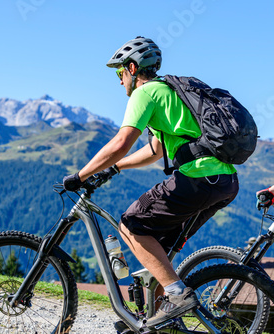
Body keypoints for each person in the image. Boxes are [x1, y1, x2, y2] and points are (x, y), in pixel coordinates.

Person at [63, 36, 239, 332]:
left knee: (131, 226)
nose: (120, 81)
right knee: (159, 255)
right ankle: (160, 324)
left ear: (132, 68)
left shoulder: (144, 94)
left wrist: (80, 175)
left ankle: (177, 295)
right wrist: (116, 167)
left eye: (120, 73)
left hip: (197, 178)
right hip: (224, 182)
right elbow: (156, 150)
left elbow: (121, 142)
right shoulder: (170, 92)